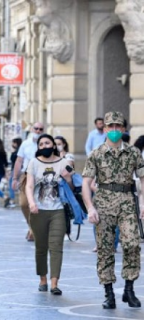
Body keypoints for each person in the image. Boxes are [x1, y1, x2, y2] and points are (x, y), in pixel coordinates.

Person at [82, 111, 144, 309]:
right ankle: (108, 293)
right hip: (103, 203)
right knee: (105, 249)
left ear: (123, 128)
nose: (115, 130)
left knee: (132, 244)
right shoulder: (96, 154)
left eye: (118, 126)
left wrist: (143, 203)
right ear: (105, 129)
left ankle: (129, 288)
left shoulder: (134, 153)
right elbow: (86, 183)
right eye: (111, 126)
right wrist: (90, 208)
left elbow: (143, 178)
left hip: (127, 201)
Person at [25, 134, 73, 295]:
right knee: (41, 247)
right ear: (38, 147)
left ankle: (54, 283)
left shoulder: (64, 162)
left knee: (56, 247)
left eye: (48, 143)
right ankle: (42, 279)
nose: (44, 146)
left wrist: (68, 179)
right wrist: (31, 203)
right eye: (41, 144)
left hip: (58, 210)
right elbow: (29, 186)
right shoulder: (33, 163)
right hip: (38, 211)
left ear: (54, 145)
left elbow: (73, 188)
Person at [12, 123, 45, 241]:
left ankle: (34, 230)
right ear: (32, 129)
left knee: (39, 204)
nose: (38, 131)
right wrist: (15, 178)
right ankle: (31, 226)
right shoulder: (25, 144)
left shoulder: (47, 144)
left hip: (41, 177)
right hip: (25, 176)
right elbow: (19, 161)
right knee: (24, 204)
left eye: (41, 129)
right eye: (36, 128)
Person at [8, 138, 22, 208]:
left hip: (15, 169)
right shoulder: (21, 150)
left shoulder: (17, 151)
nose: (12, 144)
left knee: (11, 184)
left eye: (13, 143)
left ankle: (12, 200)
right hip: (21, 169)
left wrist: (12, 152)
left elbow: (13, 159)